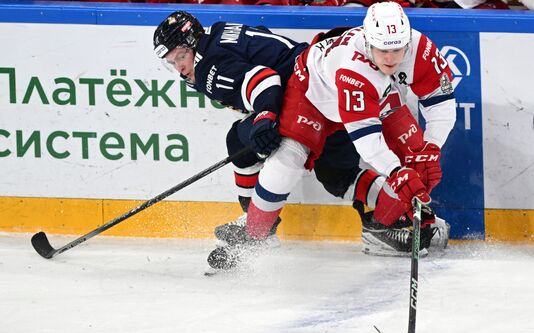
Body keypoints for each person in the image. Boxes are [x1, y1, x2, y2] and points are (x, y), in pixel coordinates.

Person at [208, 1, 454, 269]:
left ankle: (395, 224)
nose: (391, 59)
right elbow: (367, 139)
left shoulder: (420, 49)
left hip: (375, 96)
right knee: (286, 162)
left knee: (420, 160)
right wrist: (396, 172)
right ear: (368, 40)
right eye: (383, 50)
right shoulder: (353, 66)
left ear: (407, 40)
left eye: (397, 49)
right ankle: (253, 235)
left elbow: (440, 102)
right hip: (311, 96)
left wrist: (432, 147)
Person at [153, 12, 364, 250]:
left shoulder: (206, 66)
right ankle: (381, 222)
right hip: (325, 90)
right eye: (172, 63)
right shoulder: (220, 32)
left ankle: (259, 229)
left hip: (302, 101)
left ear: (193, 42)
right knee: (340, 176)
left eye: (181, 57)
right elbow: (264, 43)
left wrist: (265, 117)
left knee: (239, 143)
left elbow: (264, 80)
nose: (180, 69)